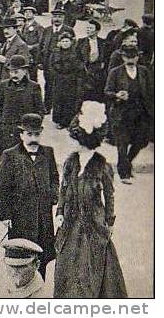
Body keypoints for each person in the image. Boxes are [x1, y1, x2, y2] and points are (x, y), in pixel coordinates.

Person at [53, 115, 127, 298]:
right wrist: (60, 211)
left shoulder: (102, 164)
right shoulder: (71, 161)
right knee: (67, 262)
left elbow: (109, 196)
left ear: (85, 140)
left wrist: (109, 222)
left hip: (94, 223)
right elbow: (64, 188)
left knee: (92, 264)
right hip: (71, 221)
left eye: (75, 139)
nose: (72, 142)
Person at [0, 113, 59, 279]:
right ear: (21, 134)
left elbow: (54, 178)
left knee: (43, 254)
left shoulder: (48, 153)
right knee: (21, 255)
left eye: (37, 134)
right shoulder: (10, 155)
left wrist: (53, 195)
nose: (33, 138)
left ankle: (40, 286)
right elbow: (3, 188)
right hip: (20, 215)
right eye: (29, 134)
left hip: (43, 215)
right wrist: (5, 215)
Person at [104, 46, 153, 183]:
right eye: (127, 57)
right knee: (122, 143)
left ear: (137, 57)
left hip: (141, 113)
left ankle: (128, 162)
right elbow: (107, 91)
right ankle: (123, 173)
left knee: (142, 141)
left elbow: (151, 91)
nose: (130, 60)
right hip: (122, 112)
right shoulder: (115, 72)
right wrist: (117, 95)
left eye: (133, 57)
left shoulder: (144, 72)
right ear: (123, 57)